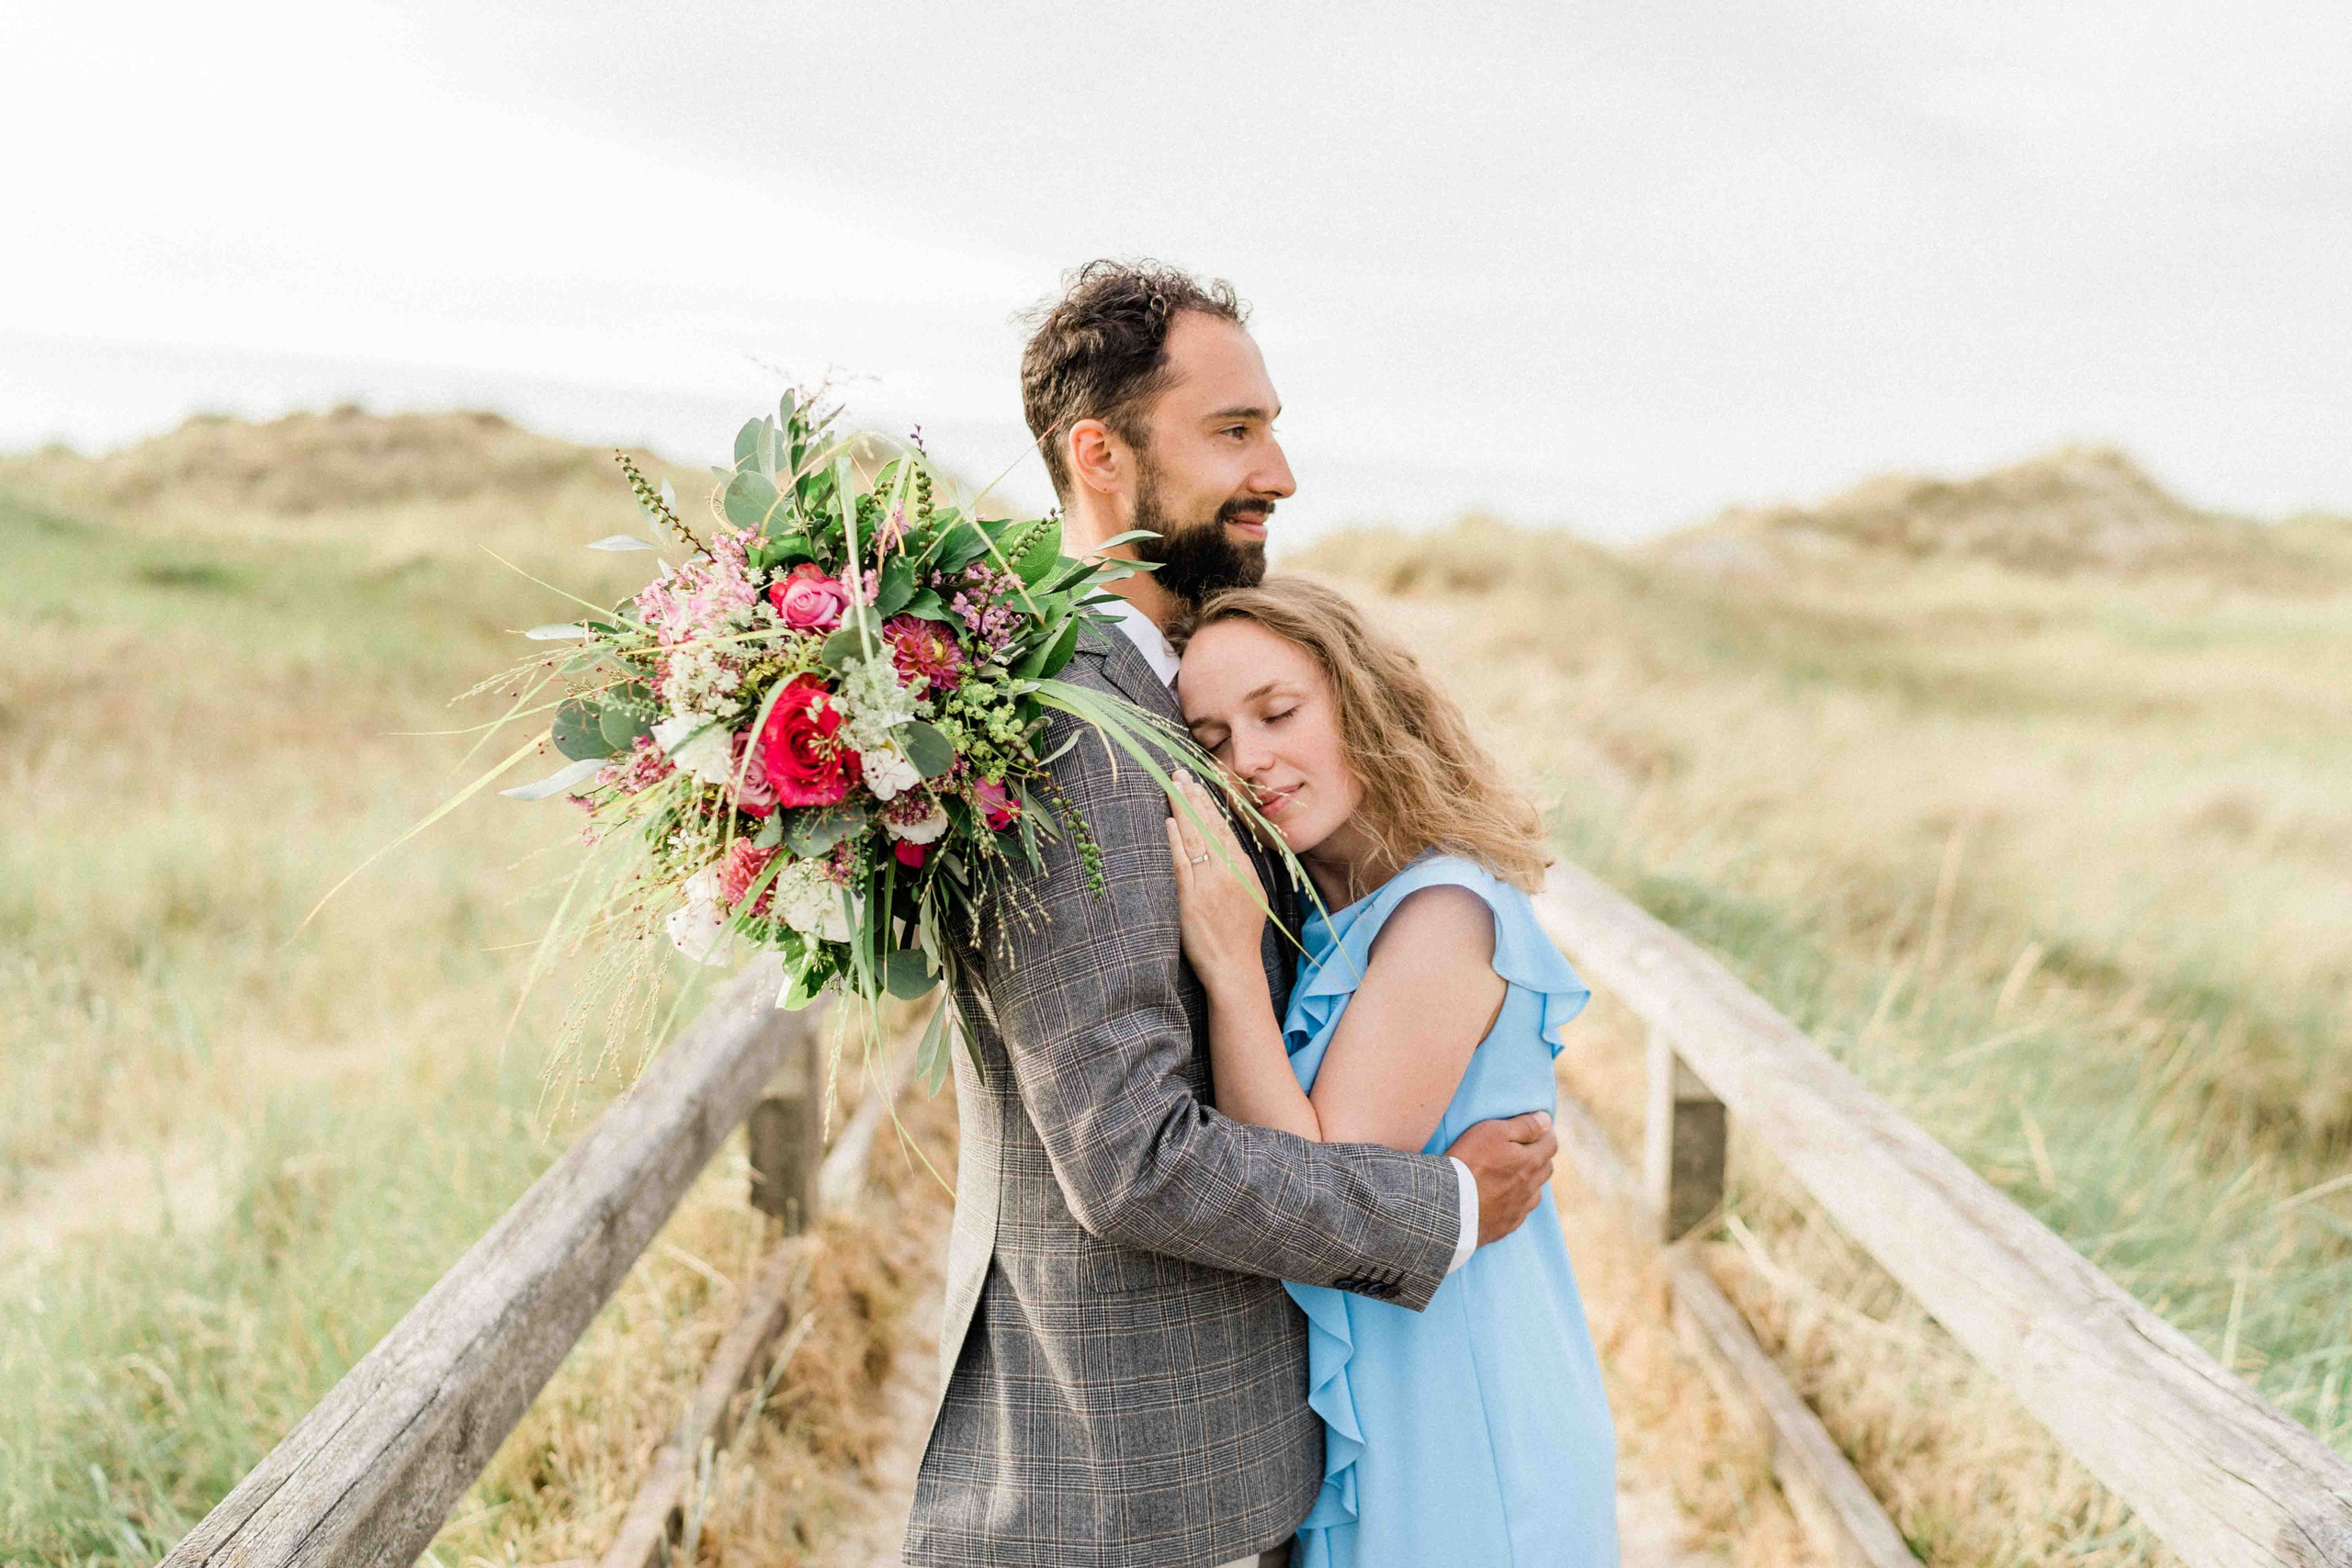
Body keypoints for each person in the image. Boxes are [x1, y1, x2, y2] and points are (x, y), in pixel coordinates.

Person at [901, 261, 1563, 1568]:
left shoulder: (1148, 691)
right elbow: (1129, 1156)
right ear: (1103, 455)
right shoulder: (1070, 726)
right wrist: (1440, 1205)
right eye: (1234, 430)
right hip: (1134, 1478)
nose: (1282, 472)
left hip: (1192, 1455)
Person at [1167, 576, 1619, 1567]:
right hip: (1400, 1394)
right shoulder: (1333, 923)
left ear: (1363, 704)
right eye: (1209, 739)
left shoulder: (1442, 914)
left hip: (1463, 1407)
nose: (1248, 759)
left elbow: (1313, 1201)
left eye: (1278, 713)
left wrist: (1231, 969)